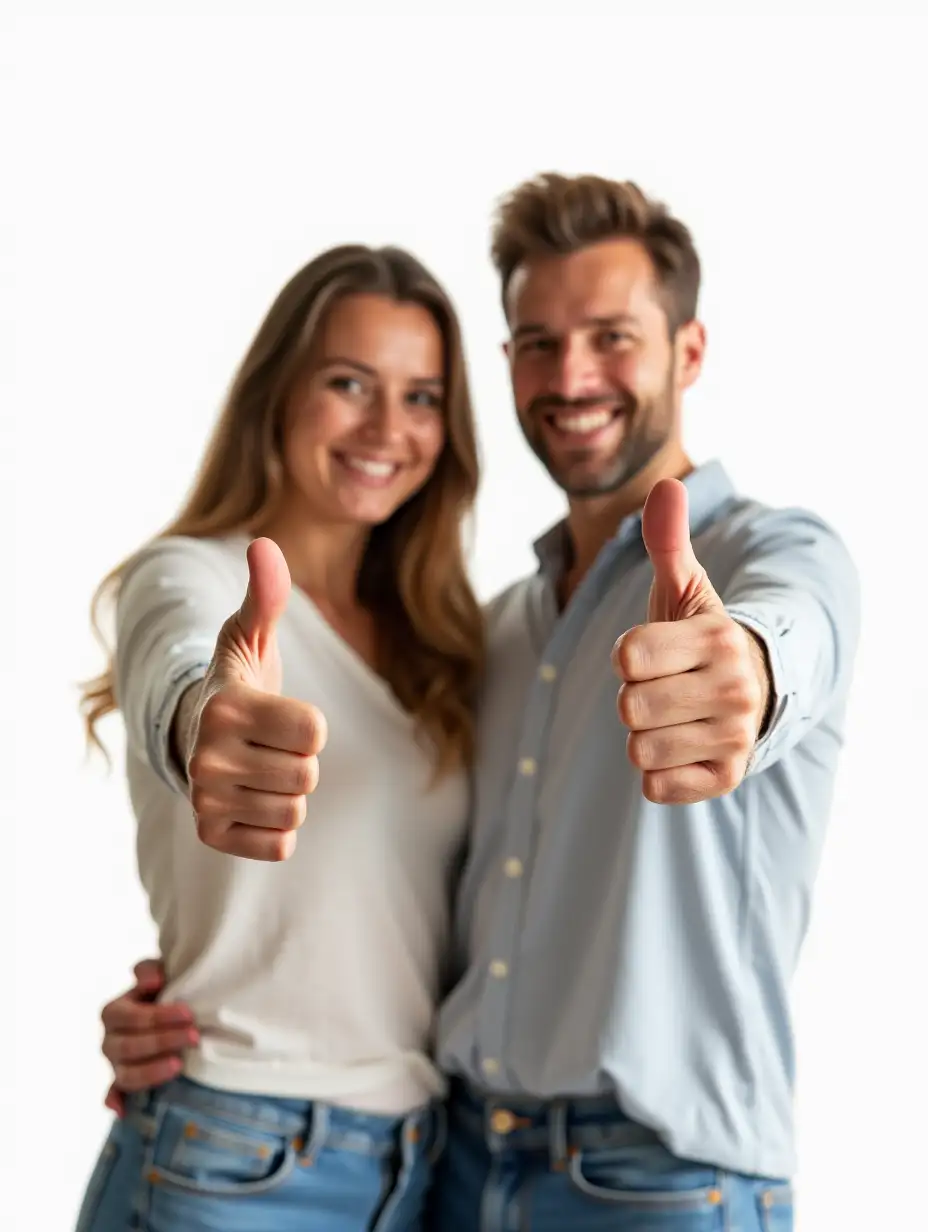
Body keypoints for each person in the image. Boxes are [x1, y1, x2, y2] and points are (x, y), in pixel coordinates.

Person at [98, 174, 861, 1231]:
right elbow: (176, 663)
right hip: (448, 1165)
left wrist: (750, 672)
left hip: (659, 1182)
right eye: (538, 342)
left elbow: (798, 625)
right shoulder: (491, 635)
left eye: (610, 335)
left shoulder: (766, 558)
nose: (572, 373)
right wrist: (199, 730)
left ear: (688, 351)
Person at [73, 243, 485, 1232]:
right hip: (235, 1155)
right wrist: (202, 726)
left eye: (421, 395)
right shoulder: (191, 578)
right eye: (349, 382)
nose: (388, 426)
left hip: (420, 1163)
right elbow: (180, 666)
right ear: (278, 394)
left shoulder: (448, 643)